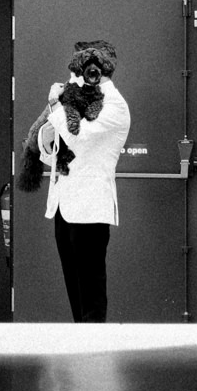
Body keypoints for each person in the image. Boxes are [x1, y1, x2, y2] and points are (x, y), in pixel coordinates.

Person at [36, 41, 130, 323]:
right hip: (63, 206)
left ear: (101, 68)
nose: (76, 75)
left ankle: (94, 345)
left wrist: (55, 105)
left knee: (90, 292)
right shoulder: (76, 97)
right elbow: (52, 150)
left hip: (89, 209)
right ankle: (82, 341)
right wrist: (47, 138)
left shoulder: (115, 105)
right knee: (75, 290)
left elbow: (79, 138)